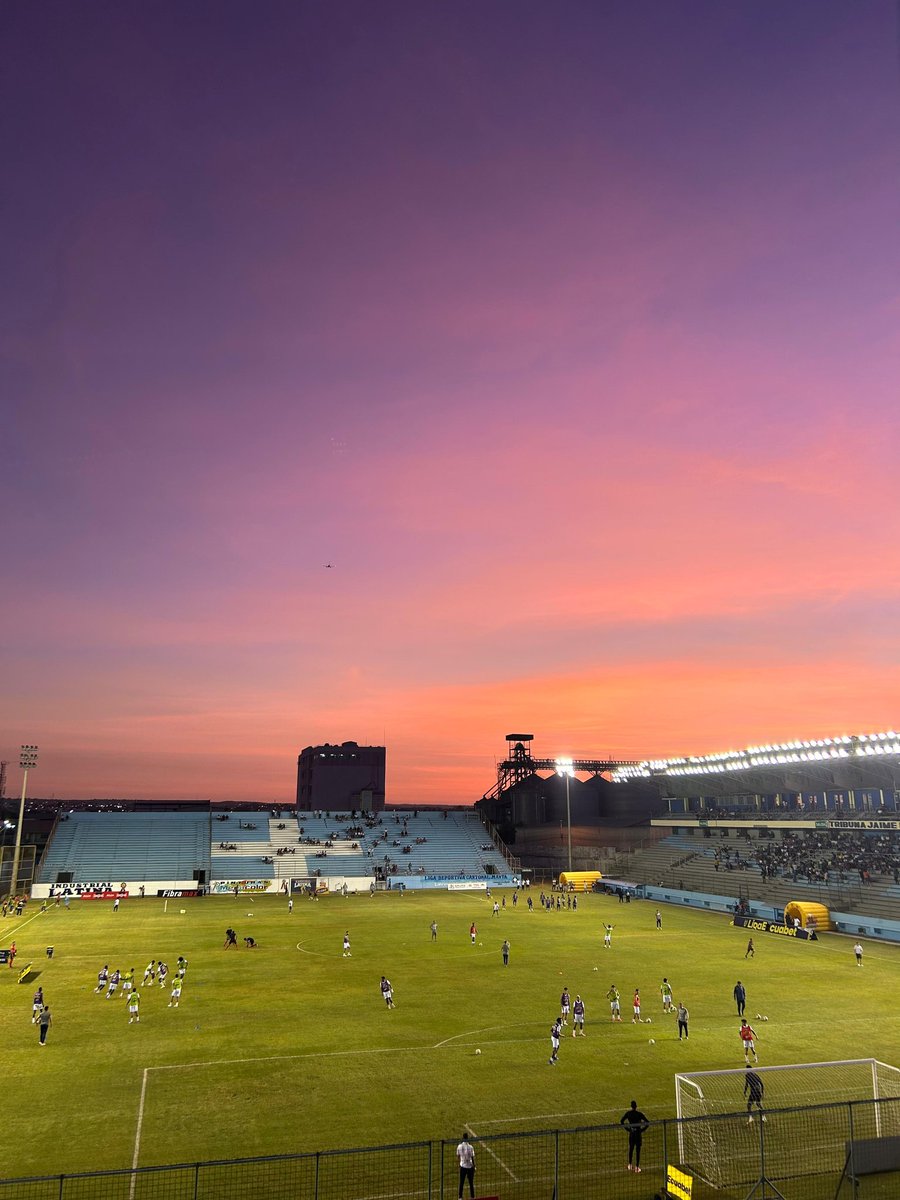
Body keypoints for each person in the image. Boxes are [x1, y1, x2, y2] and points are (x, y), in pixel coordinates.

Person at [620, 1100, 649, 1173]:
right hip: (638, 1134)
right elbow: (647, 1122)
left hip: (632, 1133)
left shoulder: (628, 1114)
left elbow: (622, 1121)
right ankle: (637, 1167)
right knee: (638, 1151)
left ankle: (630, 1164)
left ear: (631, 1106)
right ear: (636, 1106)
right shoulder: (639, 1114)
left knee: (631, 1149)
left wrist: (627, 1129)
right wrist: (642, 1130)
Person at [456, 1130, 476, 1199]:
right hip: (470, 1167)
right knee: (471, 1183)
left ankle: (460, 1197)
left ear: (463, 1138)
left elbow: (458, 1156)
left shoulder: (459, 1146)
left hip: (462, 1166)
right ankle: (472, 1197)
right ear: (467, 1138)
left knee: (461, 1182)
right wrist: (474, 1166)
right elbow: (472, 1157)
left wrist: (459, 1164)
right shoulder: (471, 1147)